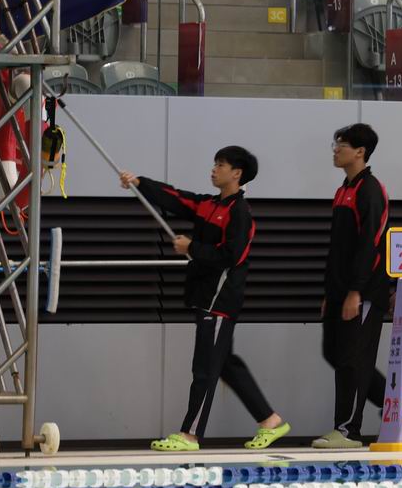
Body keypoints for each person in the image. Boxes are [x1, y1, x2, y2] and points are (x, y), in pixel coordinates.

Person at [121, 148, 292, 451]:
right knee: (224, 364)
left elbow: (232, 255)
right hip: (205, 296)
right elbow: (175, 198)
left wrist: (191, 248)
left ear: (237, 173)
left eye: (221, 165)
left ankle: (190, 434)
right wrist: (139, 182)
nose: (214, 169)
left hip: (220, 301)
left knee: (204, 369)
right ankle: (270, 421)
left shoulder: (240, 213)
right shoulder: (208, 204)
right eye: (215, 164)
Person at [316, 122, 389, 448]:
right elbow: (338, 248)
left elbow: (371, 243)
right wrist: (331, 292)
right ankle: (391, 403)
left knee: (352, 359)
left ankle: (347, 430)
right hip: (339, 291)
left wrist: (356, 291)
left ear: (360, 152)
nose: (336, 150)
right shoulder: (343, 190)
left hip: (363, 292)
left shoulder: (371, 190)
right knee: (333, 353)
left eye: (341, 145)